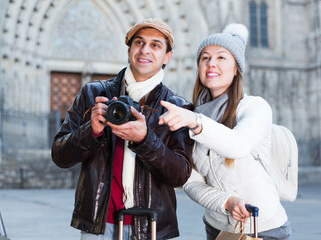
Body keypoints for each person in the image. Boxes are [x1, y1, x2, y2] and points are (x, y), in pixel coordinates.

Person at [51, 18, 193, 240]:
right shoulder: (92, 94)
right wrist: (92, 131)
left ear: (167, 56)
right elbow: (60, 156)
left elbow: (180, 175)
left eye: (155, 45)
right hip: (100, 224)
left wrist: (145, 139)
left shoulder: (178, 107)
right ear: (129, 50)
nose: (145, 50)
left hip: (151, 226)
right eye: (138, 42)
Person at [158, 23, 292, 240]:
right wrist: (226, 202)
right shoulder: (190, 115)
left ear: (237, 67)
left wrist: (194, 121)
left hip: (264, 227)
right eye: (205, 58)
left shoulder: (254, 107)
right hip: (217, 227)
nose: (211, 64)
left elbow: (238, 144)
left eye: (221, 57)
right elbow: (190, 181)